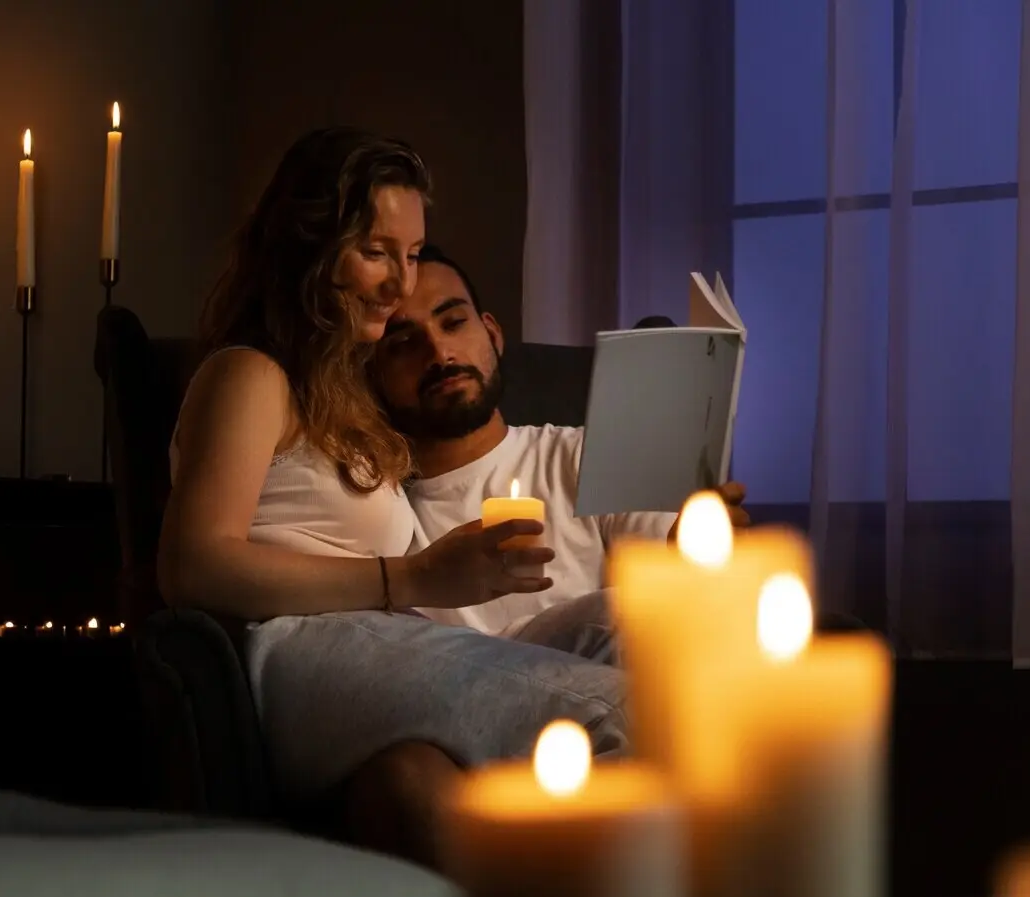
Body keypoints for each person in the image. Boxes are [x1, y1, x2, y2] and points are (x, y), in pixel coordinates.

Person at [156, 128, 632, 856]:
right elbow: (192, 566)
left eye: (410, 255)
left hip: (384, 642)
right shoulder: (248, 375)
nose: (400, 284)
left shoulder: (339, 394)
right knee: (620, 713)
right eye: (376, 252)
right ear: (309, 249)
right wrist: (409, 577)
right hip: (297, 655)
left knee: (636, 624)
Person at [372, 244, 750, 641]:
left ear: (493, 334)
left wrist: (691, 550)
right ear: (374, 374)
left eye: (453, 323)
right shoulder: (379, 519)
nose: (440, 353)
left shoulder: (592, 456)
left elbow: (669, 599)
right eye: (405, 344)